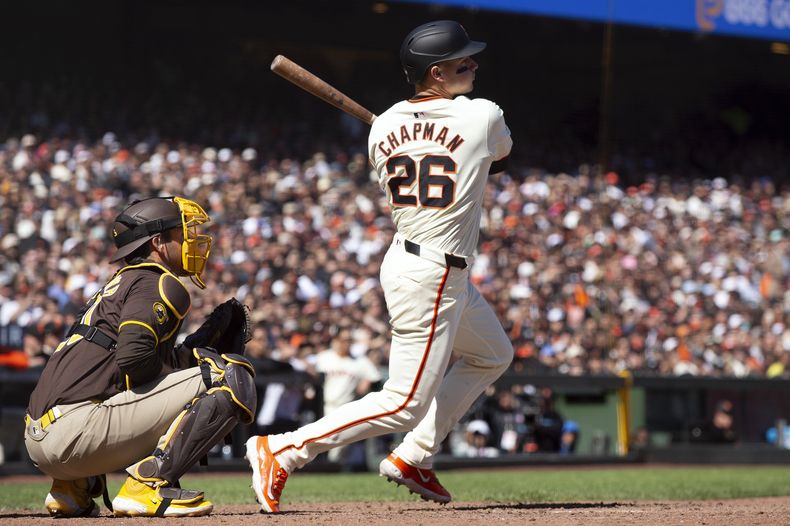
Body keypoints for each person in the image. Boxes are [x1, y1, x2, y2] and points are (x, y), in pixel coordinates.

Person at [245, 20, 513, 513]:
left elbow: (434, 151)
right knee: (403, 402)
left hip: (421, 263)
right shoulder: (482, 114)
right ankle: (283, 449)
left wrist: (413, 130)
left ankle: (415, 455)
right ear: (436, 73)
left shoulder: (384, 126)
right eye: (462, 60)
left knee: (493, 353)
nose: (474, 64)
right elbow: (499, 157)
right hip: (431, 274)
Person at [23, 196, 255, 518]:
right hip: (75, 432)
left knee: (157, 377)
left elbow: (121, 365)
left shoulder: (120, 283)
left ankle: (72, 488)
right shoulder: (155, 281)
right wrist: (192, 363)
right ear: (158, 242)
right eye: (182, 234)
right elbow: (134, 359)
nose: (191, 241)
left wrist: (186, 354)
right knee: (228, 375)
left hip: (41, 438)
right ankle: (147, 486)